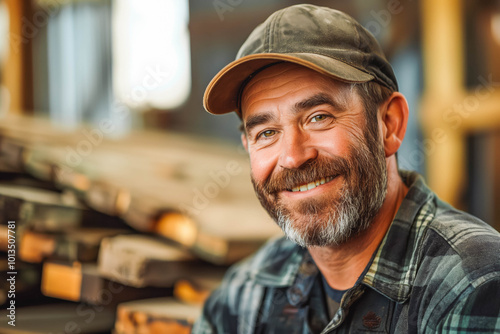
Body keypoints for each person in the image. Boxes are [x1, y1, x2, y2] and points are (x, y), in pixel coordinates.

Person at [192, 4, 500, 333]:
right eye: (267, 133)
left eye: (318, 117)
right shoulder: (248, 292)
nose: (293, 157)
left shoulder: (475, 283)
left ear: (389, 124)